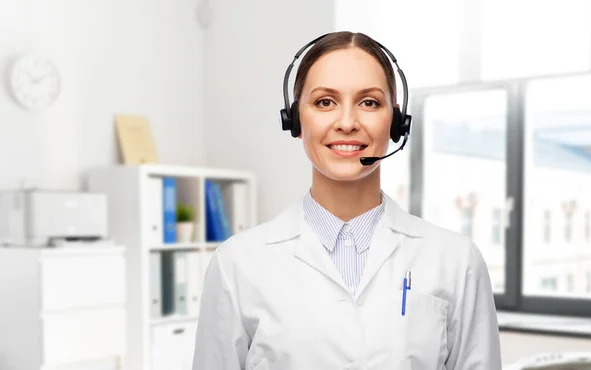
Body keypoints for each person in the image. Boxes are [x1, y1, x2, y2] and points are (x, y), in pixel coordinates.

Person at [192, 31, 502, 370]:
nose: (347, 123)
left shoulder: (457, 262)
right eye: (325, 102)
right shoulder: (237, 265)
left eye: (369, 102)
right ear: (295, 119)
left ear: (396, 122)